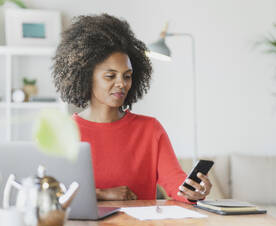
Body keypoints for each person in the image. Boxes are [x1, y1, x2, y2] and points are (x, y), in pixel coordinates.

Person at [52, 14, 212, 203]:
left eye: (127, 76)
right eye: (110, 76)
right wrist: (102, 194)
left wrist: (194, 192)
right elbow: (55, 192)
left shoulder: (150, 129)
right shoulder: (64, 132)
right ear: (86, 77)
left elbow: (175, 184)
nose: (122, 84)